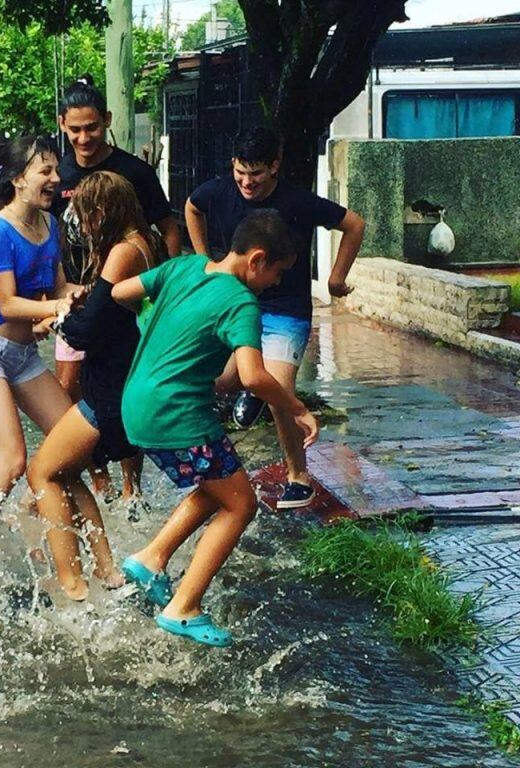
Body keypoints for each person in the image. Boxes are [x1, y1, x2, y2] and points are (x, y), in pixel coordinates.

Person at [112, 210, 319, 647]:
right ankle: (184, 607)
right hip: (177, 412)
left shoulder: (184, 266)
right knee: (241, 505)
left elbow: (121, 291)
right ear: (257, 260)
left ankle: (152, 558)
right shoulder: (240, 301)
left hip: (137, 402)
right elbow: (253, 377)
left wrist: (152, 320)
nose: (276, 284)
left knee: (219, 484)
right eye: (277, 273)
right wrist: (297, 409)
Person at [185, 126, 364, 510]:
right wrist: (205, 260)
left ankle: (298, 477)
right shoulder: (219, 191)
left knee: (279, 390)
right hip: (237, 306)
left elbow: (354, 224)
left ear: (275, 167)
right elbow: (192, 207)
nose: (247, 183)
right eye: (241, 173)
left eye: (256, 174)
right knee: (218, 381)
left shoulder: (296, 201)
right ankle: (222, 442)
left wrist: (335, 278)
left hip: (284, 309)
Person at [0, 135, 79, 612]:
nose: (54, 178)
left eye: (54, 169)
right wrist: (55, 307)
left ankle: (29, 510)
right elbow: (6, 303)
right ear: (17, 177)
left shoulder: (50, 224)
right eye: (44, 170)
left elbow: (61, 285)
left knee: (74, 441)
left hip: (24, 357)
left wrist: (96, 294)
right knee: (11, 461)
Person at [27, 171, 163, 600]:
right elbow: (112, 310)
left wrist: (62, 317)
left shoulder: (122, 252)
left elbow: (87, 332)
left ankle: (74, 586)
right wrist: (83, 304)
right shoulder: (149, 241)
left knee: (43, 473)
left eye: (83, 216)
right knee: (67, 470)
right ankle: (107, 573)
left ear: (100, 213)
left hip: (109, 392)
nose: (80, 226)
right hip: (125, 385)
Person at [52, 75, 181, 505]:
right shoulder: (58, 172)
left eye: (92, 127)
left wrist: (161, 283)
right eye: (75, 130)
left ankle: (131, 484)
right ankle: (98, 476)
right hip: (78, 291)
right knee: (71, 385)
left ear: (106, 121)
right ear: (63, 125)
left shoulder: (134, 172)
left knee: (121, 384)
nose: (84, 137)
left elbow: (168, 227)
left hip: (123, 294)